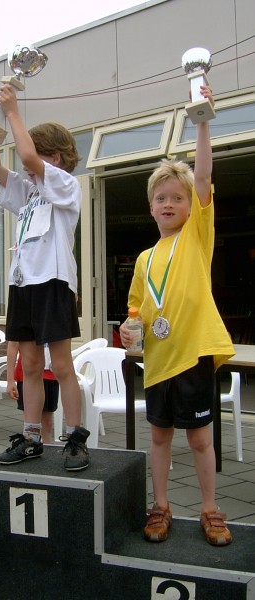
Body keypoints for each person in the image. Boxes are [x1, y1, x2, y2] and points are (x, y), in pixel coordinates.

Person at [120, 86, 235, 546]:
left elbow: (203, 174)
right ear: (150, 207)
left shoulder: (196, 237)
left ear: (192, 206)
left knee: (201, 439)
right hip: (159, 362)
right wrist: (131, 329)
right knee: (159, 438)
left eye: (178, 198)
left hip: (193, 356)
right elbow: (136, 309)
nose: (169, 204)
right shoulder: (144, 258)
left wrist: (201, 121)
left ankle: (210, 508)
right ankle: (161, 505)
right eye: (161, 198)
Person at [0, 83, 90, 471]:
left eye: (36, 154)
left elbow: (27, 155)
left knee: (60, 366)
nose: (26, 162)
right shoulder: (30, 191)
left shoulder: (64, 184)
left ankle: (75, 438)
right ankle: (31, 437)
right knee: (29, 365)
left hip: (53, 282)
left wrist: (14, 110)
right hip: (24, 283)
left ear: (55, 157)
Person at [6, 341, 59, 444]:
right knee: (30, 423)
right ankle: (30, 446)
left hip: (50, 374)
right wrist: (10, 380)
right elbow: (13, 345)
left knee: (47, 424)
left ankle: (48, 449)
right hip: (27, 376)